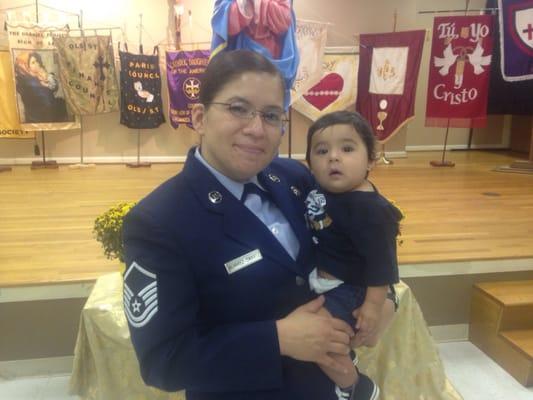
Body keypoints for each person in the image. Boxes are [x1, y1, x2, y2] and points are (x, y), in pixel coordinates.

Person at [122, 50, 355, 400]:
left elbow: (348, 241)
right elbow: (163, 361)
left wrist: (384, 299)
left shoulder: (295, 178)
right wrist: (277, 339)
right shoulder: (160, 221)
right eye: (238, 108)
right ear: (199, 118)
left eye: (271, 115)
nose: (256, 129)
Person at [304, 110, 402, 400]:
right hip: (324, 280)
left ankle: (355, 387)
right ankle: (347, 356)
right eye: (322, 151)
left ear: (371, 159)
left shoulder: (371, 210)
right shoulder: (327, 189)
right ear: (310, 163)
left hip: (350, 288)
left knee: (318, 339)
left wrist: (372, 306)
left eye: (347, 149)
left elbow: (382, 265)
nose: (333, 158)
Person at [14, 51, 69, 123]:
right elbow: (44, 98)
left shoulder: (39, 75)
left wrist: (47, 78)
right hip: (40, 117)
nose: (37, 64)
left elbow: (54, 88)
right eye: (33, 62)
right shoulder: (27, 82)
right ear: (25, 66)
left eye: (37, 61)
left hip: (49, 114)